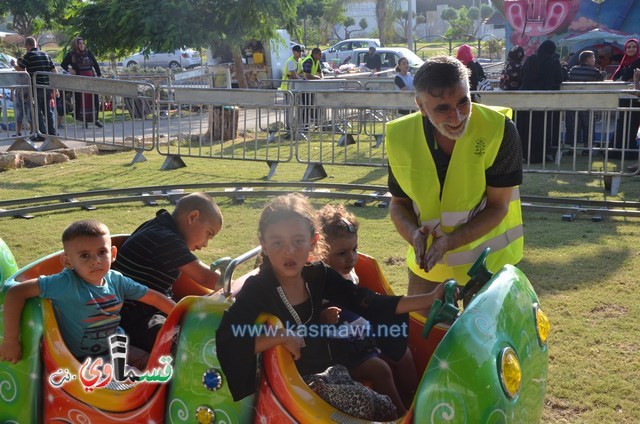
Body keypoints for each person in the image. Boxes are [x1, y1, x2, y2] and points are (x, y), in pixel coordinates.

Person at [216, 193, 447, 421]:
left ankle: (405, 414)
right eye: (277, 242)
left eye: (298, 241)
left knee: (382, 404)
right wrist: (280, 337)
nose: (289, 251)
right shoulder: (258, 288)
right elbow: (229, 339)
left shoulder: (317, 275)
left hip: (331, 372)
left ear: (313, 242)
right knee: (366, 404)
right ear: (264, 245)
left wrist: (429, 298)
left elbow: (367, 301)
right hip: (295, 385)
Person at [385, 56, 523, 307]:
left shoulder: (499, 129)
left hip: (488, 262)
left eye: (463, 102)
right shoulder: (399, 136)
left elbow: (498, 206)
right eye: (442, 108)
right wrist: (412, 234)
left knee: (484, 341)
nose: (457, 116)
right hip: (429, 265)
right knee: (423, 340)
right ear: (421, 106)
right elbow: (398, 204)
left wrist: (449, 241)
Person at [0, 220, 175, 366]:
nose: (96, 261)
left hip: (117, 347)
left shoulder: (117, 280)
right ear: (68, 261)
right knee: (133, 385)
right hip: (81, 360)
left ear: (113, 253)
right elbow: (16, 292)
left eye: (102, 252)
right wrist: (10, 340)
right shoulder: (64, 283)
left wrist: (181, 315)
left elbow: (153, 297)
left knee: (158, 368)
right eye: (84, 255)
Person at [317, 204, 417, 414]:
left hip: (362, 336)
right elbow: (308, 315)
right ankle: (400, 415)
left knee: (404, 353)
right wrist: (323, 316)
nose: (352, 258)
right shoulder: (320, 280)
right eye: (342, 253)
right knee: (379, 369)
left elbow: (367, 303)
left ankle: (415, 401)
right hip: (338, 349)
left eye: (354, 249)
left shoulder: (349, 273)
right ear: (320, 252)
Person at [113, 192, 223, 352]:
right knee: (190, 341)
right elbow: (205, 277)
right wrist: (239, 287)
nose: (206, 244)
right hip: (133, 317)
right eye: (209, 233)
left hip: (151, 307)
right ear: (193, 217)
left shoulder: (159, 226)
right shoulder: (164, 238)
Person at [518, 39, 564, 163]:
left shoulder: (530, 60)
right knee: (542, 128)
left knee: (527, 128)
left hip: (526, 99)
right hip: (544, 100)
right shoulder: (553, 62)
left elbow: (523, 75)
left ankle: (526, 154)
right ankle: (540, 154)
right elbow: (559, 78)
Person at [11, 36, 57, 141]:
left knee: (37, 111)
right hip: (47, 87)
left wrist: (13, 65)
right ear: (36, 44)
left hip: (36, 88)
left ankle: (42, 134)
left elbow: (21, 69)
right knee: (48, 111)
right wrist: (54, 86)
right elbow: (54, 71)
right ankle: (52, 133)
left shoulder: (28, 55)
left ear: (27, 46)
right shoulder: (45, 54)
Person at [566, 50, 605, 153]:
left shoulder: (574, 70)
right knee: (588, 125)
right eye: (593, 58)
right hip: (588, 102)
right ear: (588, 60)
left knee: (573, 126)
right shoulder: (595, 71)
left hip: (573, 102)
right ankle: (587, 148)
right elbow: (601, 83)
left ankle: (572, 148)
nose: (594, 60)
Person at [61, 36, 103, 128]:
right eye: (79, 43)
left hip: (91, 79)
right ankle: (85, 122)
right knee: (82, 101)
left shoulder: (88, 53)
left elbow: (95, 64)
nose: (81, 45)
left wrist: (99, 75)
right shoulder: (72, 55)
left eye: (83, 43)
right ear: (76, 45)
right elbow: (63, 64)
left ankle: (95, 120)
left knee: (93, 100)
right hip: (80, 81)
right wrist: (70, 70)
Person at [611, 38, 640, 162]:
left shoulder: (638, 60)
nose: (631, 49)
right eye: (628, 47)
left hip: (635, 98)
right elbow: (616, 77)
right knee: (622, 123)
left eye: (634, 47)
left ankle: (628, 152)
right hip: (624, 97)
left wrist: (625, 79)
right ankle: (617, 151)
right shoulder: (624, 61)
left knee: (631, 124)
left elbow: (627, 76)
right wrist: (624, 79)